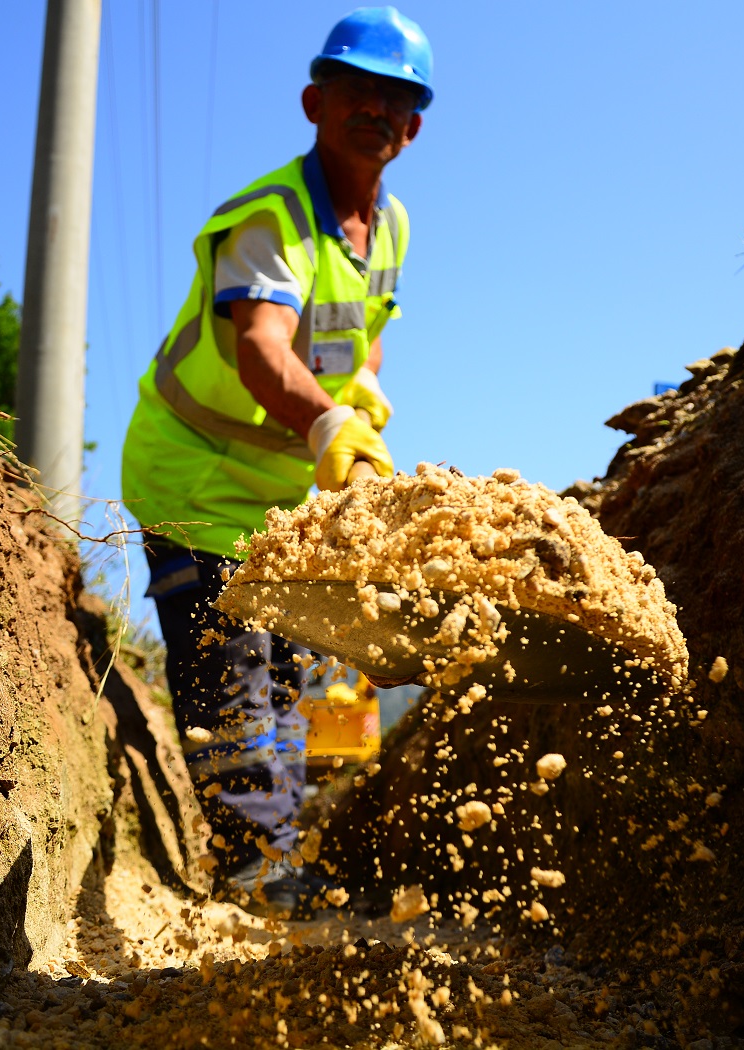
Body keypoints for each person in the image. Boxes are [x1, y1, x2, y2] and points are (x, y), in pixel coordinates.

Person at [119, 6, 430, 915]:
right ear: (314, 102)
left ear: (413, 127)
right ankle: (258, 875)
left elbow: (365, 340)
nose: (376, 111)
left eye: (397, 101)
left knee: (292, 677)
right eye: (358, 92)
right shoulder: (271, 219)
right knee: (236, 670)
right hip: (197, 475)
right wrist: (331, 426)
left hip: (281, 498)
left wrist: (362, 406)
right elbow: (261, 346)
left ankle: (278, 857)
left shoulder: (393, 227)